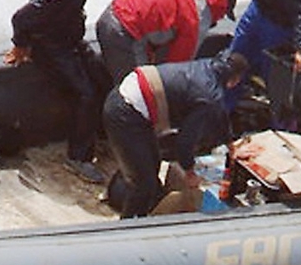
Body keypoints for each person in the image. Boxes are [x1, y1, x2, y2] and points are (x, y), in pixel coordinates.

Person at [5, 0, 110, 183]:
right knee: (85, 94)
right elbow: (20, 19)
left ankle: (102, 134)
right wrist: (21, 45)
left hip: (71, 35)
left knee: (102, 77)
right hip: (51, 46)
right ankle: (77, 158)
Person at [103, 51, 248, 218]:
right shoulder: (209, 94)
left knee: (152, 164)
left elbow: (219, 112)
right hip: (125, 113)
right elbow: (185, 143)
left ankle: (143, 217)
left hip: (127, 98)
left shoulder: (207, 67)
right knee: (143, 184)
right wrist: (190, 173)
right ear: (234, 81)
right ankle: (126, 229)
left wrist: (231, 146)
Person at [95, 0, 235, 85]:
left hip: (111, 13)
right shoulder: (195, 22)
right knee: (141, 93)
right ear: (221, 10)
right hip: (124, 34)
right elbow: (173, 70)